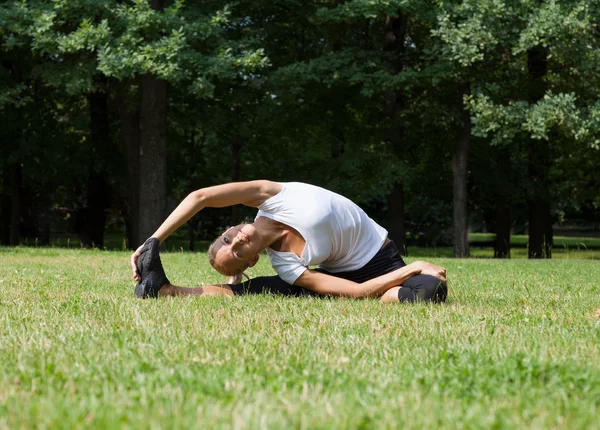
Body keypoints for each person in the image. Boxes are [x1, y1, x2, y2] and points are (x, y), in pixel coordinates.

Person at [130, 180, 447, 304]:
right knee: (427, 290)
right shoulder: (285, 264)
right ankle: (170, 291)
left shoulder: (270, 196)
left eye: (228, 239)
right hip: (345, 279)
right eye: (238, 252)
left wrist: (153, 240)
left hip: (381, 257)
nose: (238, 241)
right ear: (253, 260)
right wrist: (416, 266)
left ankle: (389, 295)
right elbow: (357, 289)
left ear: (230, 226)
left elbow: (199, 197)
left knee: (435, 289)